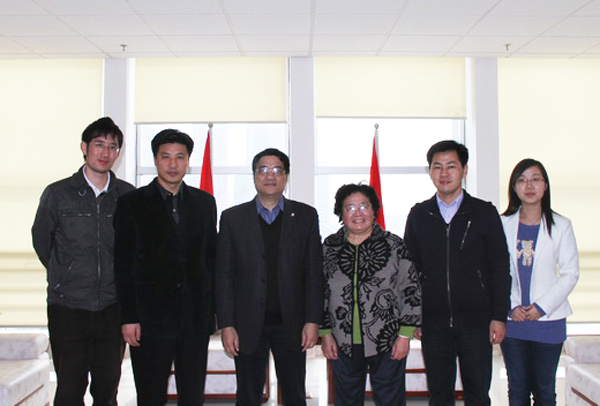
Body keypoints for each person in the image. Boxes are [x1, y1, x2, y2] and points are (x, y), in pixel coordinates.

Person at [32, 117, 134, 406]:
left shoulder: (127, 195)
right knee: (68, 390)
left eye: (112, 147)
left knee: (107, 390)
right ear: (84, 148)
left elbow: (134, 248)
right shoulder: (58, 193)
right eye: (99, 144)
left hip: (112, 307)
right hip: (68, 307)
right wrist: (66, 273)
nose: (105, 152)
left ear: (118, 153)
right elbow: (42, 241)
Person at [114, 129, 217, 406]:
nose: (173, 164)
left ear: (188, 161)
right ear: (156, 160)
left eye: (180, 157)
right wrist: (128, 317)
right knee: (150, 396)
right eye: (166, 157)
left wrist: (212, 313)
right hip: (150, 320)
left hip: (194, 319)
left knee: (192, 396)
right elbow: (123, 264)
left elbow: (210, 259)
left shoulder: (204, 203)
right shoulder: (132, 203)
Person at [404, 140, 511, 406]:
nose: (444, 173)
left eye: (451, 166)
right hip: (433, 321)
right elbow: (409, 271)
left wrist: (499, 316)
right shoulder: (419, 214)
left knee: (478, 394)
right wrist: (413, 317)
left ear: (464, 170)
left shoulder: (484, 212)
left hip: (477, 321)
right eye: (437, 167)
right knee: (439, 395)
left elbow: (499, 267)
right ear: (430, 172)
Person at [215, 148, 323, 406]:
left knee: (295, 395)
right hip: (247, 324)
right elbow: (224, 276)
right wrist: (227, 324)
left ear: (286, 176)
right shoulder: (233, 218)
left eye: (277, 170)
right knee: (248, 396)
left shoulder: (305, 216)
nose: (270, 176)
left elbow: (313, 273)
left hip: (292, 324)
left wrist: (312, 321)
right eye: (263, 170)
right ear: (254, 176)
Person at [320, 183, 422, 406]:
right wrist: (325, 333)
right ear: (341, 213)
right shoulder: (329, 247)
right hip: (341, 341)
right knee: (346, 400)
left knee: (390, 400)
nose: (358, 213)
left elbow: (410, 289)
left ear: (374, 210)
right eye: (350, 207)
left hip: (388, 340)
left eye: (364, 206)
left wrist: (405, 335)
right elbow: (319, 292)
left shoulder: (393, 244)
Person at [500, 159, 579, 406]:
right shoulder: (502, 224)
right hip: (513, 321)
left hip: (548, 320)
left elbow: (570, 273)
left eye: (536, 179)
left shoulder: (562, 226)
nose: (529, 186)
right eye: (522, 180)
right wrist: (512, 305)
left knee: (545, 392)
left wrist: (541, 307)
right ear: (514, 187)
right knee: (517, 390)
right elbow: (496, 271)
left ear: (545, 186)